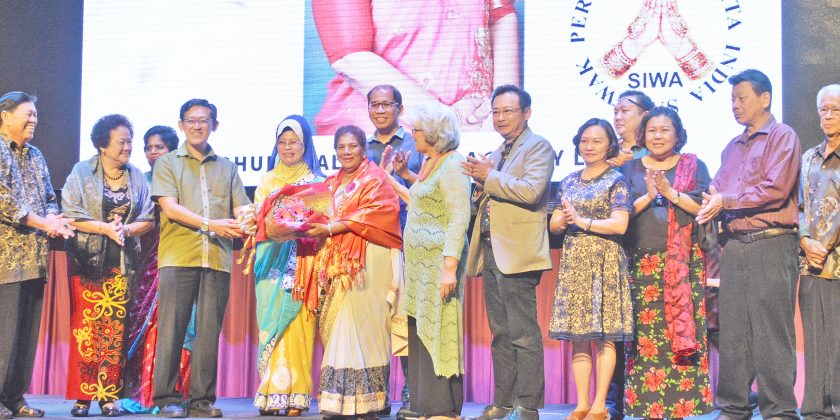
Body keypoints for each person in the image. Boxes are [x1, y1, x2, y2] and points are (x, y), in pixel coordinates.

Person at [696, 69, 801, 420]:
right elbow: (716, 189)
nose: (735, 105)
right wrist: (711, 201)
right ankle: (734, 407)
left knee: (771, 330)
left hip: (771, 243)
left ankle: (779, 410)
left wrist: (725, 200)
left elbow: (776, 189)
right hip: (735, 245)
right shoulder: (732, 147)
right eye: (732, 99)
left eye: (742, 98)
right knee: (733, 330)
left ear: (765, 98)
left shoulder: (782, 136)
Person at [151, 99, 251, 418]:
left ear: (214, 125)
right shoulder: (167, 163)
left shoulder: (227, 167)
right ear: (181, 125)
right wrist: (211, 224)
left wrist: (258, 219)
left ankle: (201, 401)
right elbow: (170, 207)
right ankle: (166, 398)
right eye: (191, 120)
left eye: (204, 120)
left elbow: (242, 209)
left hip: (217, 258)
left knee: (209, 332)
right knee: (172, 328)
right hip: (178, 256)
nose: (197, 125)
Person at [462, 85, 554, 420]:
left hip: (518, 251)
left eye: (508, 111)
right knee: (500, 333)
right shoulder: (498, 152)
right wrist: (478, 186)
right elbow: (490, 194)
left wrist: (489, 176)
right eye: (496, 111)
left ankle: (527, 405)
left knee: (523, 333)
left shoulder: (538, 146)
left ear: (526, 113)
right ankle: (503, 401)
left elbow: (531, 191)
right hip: (492, 249)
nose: (500, 117)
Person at [620, 107, 713, 418]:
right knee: (645, 339)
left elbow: (701, 209)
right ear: (642, 135)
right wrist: (649, 195)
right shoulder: (630, 169)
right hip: (641, 263)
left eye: (665, 130)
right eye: (651, 131)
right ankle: (646, 407)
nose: (657, 136)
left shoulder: (694, 166)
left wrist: (669, 192)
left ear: (678, 135)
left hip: (684, 264)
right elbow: (622, 215)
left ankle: (683, 407)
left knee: (682, 335)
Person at [306, 125, 403, 418]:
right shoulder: (331, 183)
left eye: (353, 146)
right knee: (339, 325)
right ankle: (337, 401)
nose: (347, 152)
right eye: (341, 147)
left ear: (363, 148)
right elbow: (317, 214)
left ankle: (370, 401)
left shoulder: (375, 179)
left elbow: (376, 215)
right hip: (337, 263)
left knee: (364, 325)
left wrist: (332, 227)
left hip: (369, 260)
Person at [61, 114, 155, 417]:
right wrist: (104, 228)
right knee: (86, 328)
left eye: (130, 141)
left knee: (114, 330)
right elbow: (69, 213)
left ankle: (107, 395)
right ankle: (82, 397)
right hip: (87, 262)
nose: (128, 147)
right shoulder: (82, 171)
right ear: (103, 145)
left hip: (123, 263)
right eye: (122, 142)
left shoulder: (136, 176)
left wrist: (125, 229)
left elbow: (148, 218)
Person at [311, 0, 520, 134]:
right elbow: (349, 57)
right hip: (382, 137)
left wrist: (503, 111)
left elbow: (501, 13)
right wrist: (442, 120)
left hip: (477, 130)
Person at [384, 102, 470, 419]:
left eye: (416, 129)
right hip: (420, 268)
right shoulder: (431, 163)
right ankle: (425, 404)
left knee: (440, 329)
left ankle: (444, 407)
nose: (413, 133)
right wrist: (395, 178)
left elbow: (458, 217)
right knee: (420, 330)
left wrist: (449, 268)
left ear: (433, 133)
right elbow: (419, 201)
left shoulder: (453, 166)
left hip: (438, 266)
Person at [548, 118, 633, 420]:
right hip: (575, 262)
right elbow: (555, 224)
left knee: (605, 336)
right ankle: (582, 403)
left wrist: (582, 221)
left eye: (597, 141)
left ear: (610, 145)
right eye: (584, 140)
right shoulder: (569, 180)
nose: (589, 146)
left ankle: (600, 405)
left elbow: (620, 224)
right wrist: (560, 220)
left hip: (605, 261)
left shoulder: (616, 180)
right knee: (579, 337)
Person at [0, 91, 75, 419]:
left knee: (26, 336)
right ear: (5, 116)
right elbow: (4, 202)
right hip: (6, 261)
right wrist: (43, 222)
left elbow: (48, 197)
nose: (34, 120)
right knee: (4, 334)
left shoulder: (35, 155)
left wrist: (54, 219)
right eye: (27, 114)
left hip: (34, 257)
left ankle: (15, 398)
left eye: (35, 115)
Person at [252, 115, 325, 416]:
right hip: (270, 262)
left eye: (293, 142)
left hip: (303, 263)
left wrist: (300, 225)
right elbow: (259, 220)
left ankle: (297, 394)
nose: (287, 147)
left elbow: (322, 223)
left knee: (299, 327)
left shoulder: (317, 182)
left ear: (305, 145)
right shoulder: (267, 180)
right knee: (272, 324)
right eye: (282, 142)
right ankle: (271, 392)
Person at [121, 125, 194, 414]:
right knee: (145, 323)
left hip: (179, 256)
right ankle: (144, 393)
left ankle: (176, 392)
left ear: (172, 150)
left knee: (175, 323)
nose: (153, 153)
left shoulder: (182, 178)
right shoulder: (140, 180)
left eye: (159, 147)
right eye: (148, 148)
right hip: (147, 261)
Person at [365, 84, 423, 418]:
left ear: (400, 108)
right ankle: (376, 390)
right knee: (374, 318)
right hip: (372, 242)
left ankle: (411, 390)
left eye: (387, 104)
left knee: (402, 318)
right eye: (375, 104)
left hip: (407, 240)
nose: (380, 110)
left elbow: (427, 189)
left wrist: (399, 176)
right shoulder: (362, 148)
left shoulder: (415, 144)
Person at [604, 89, 653, 419]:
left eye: (625, 110)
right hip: (611, 252)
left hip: (645, 248)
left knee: (646, 328)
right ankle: (613, 400)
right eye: (616, 110)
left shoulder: (655, 155)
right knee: (614, 329)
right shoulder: (605, 152)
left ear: (644, 114)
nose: (618, 116)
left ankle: (647, 396)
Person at [798, 83, 840, 420]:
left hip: (836, 262)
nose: (828, 116)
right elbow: (798, 207)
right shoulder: (808, 157)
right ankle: (814, 409)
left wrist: (823, 246)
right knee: (814, 339)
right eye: (823, 110)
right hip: (810, 263)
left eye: (835, 110)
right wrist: (805, 241)